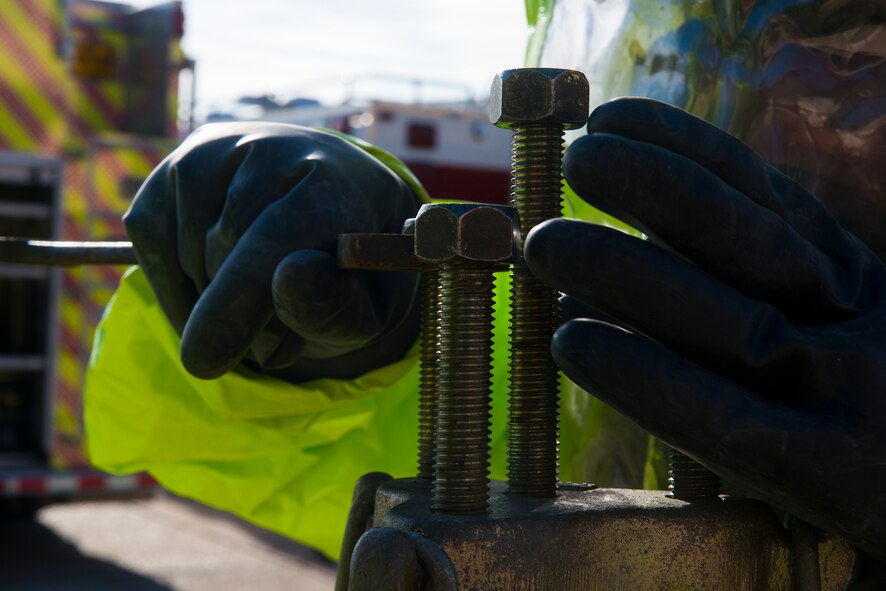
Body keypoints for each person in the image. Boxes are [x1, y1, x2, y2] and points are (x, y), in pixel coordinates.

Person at [85, 0, 885, 573]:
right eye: (689, 45)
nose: (790, 92)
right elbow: (507, 487)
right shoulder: (597, 292)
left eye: (854, 52)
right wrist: (371, 347)